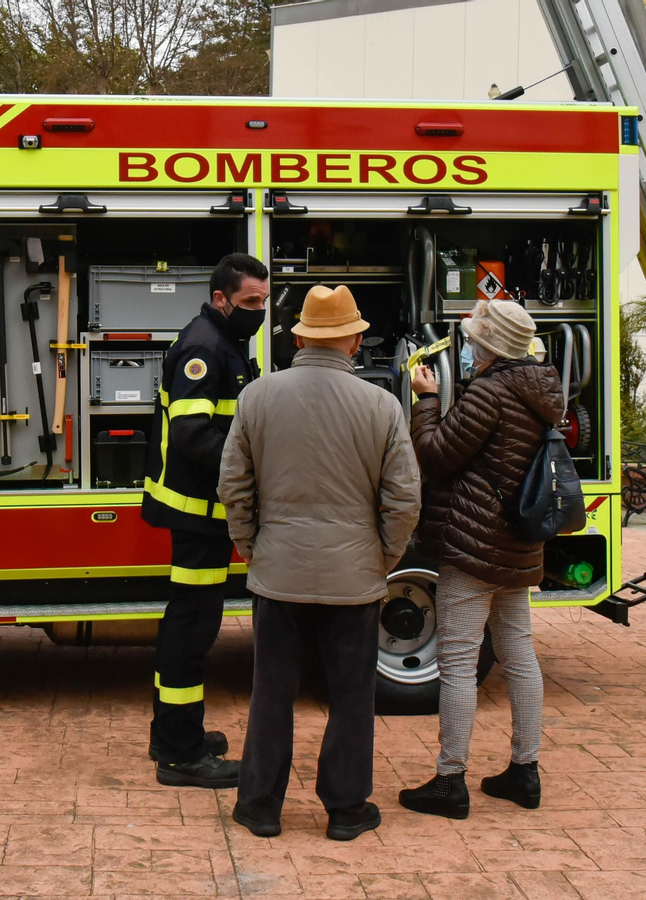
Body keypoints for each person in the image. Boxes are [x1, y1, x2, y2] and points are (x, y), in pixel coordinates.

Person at [218, 284, 422, 841]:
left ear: (301, 337)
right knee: (353, 695)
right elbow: (404, 499)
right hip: (354, 576)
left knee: (271, 691)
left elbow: (233, 483)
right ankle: (346, 810)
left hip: (277, 570)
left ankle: (259, 806)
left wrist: (250, 545)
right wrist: (382, 557)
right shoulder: (381, 404)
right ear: (355, 340)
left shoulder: (257, 396)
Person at [398, 299, 564, 820]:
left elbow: (435, 452)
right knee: (519, 655)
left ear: (489, 347)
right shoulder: (542, 393)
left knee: (457, 663)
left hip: (473, 544)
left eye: (472, 340)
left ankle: (450, 780)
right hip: (517, 543)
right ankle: (525, 770)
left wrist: (425, 399)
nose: (467, 347)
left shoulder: (490, 393)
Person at [141, 252, 270, 788]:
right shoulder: (203, 346)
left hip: (205, 512)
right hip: (197, 514)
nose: (259, 311)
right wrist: (257, 468)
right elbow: (195, 436)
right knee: (192, 630)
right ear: (221, 299)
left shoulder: (224, 341)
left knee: (192, 625)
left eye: (264, 301)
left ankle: (174, 734)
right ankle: (180, 754)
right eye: (249, 302)